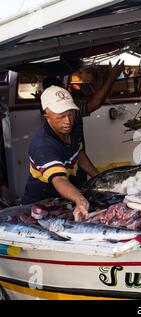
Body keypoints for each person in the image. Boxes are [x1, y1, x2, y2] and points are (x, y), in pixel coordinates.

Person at [22, 85, 99, 221]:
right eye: (61, 116)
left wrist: (99, 178)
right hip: (38, 208)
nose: (67, 121)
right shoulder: (43, 145)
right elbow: (59, 179)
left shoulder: (72, 128)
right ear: (47, 117)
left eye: (70, 113)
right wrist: (80, 200)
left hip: (61, 201)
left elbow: (79, 154)